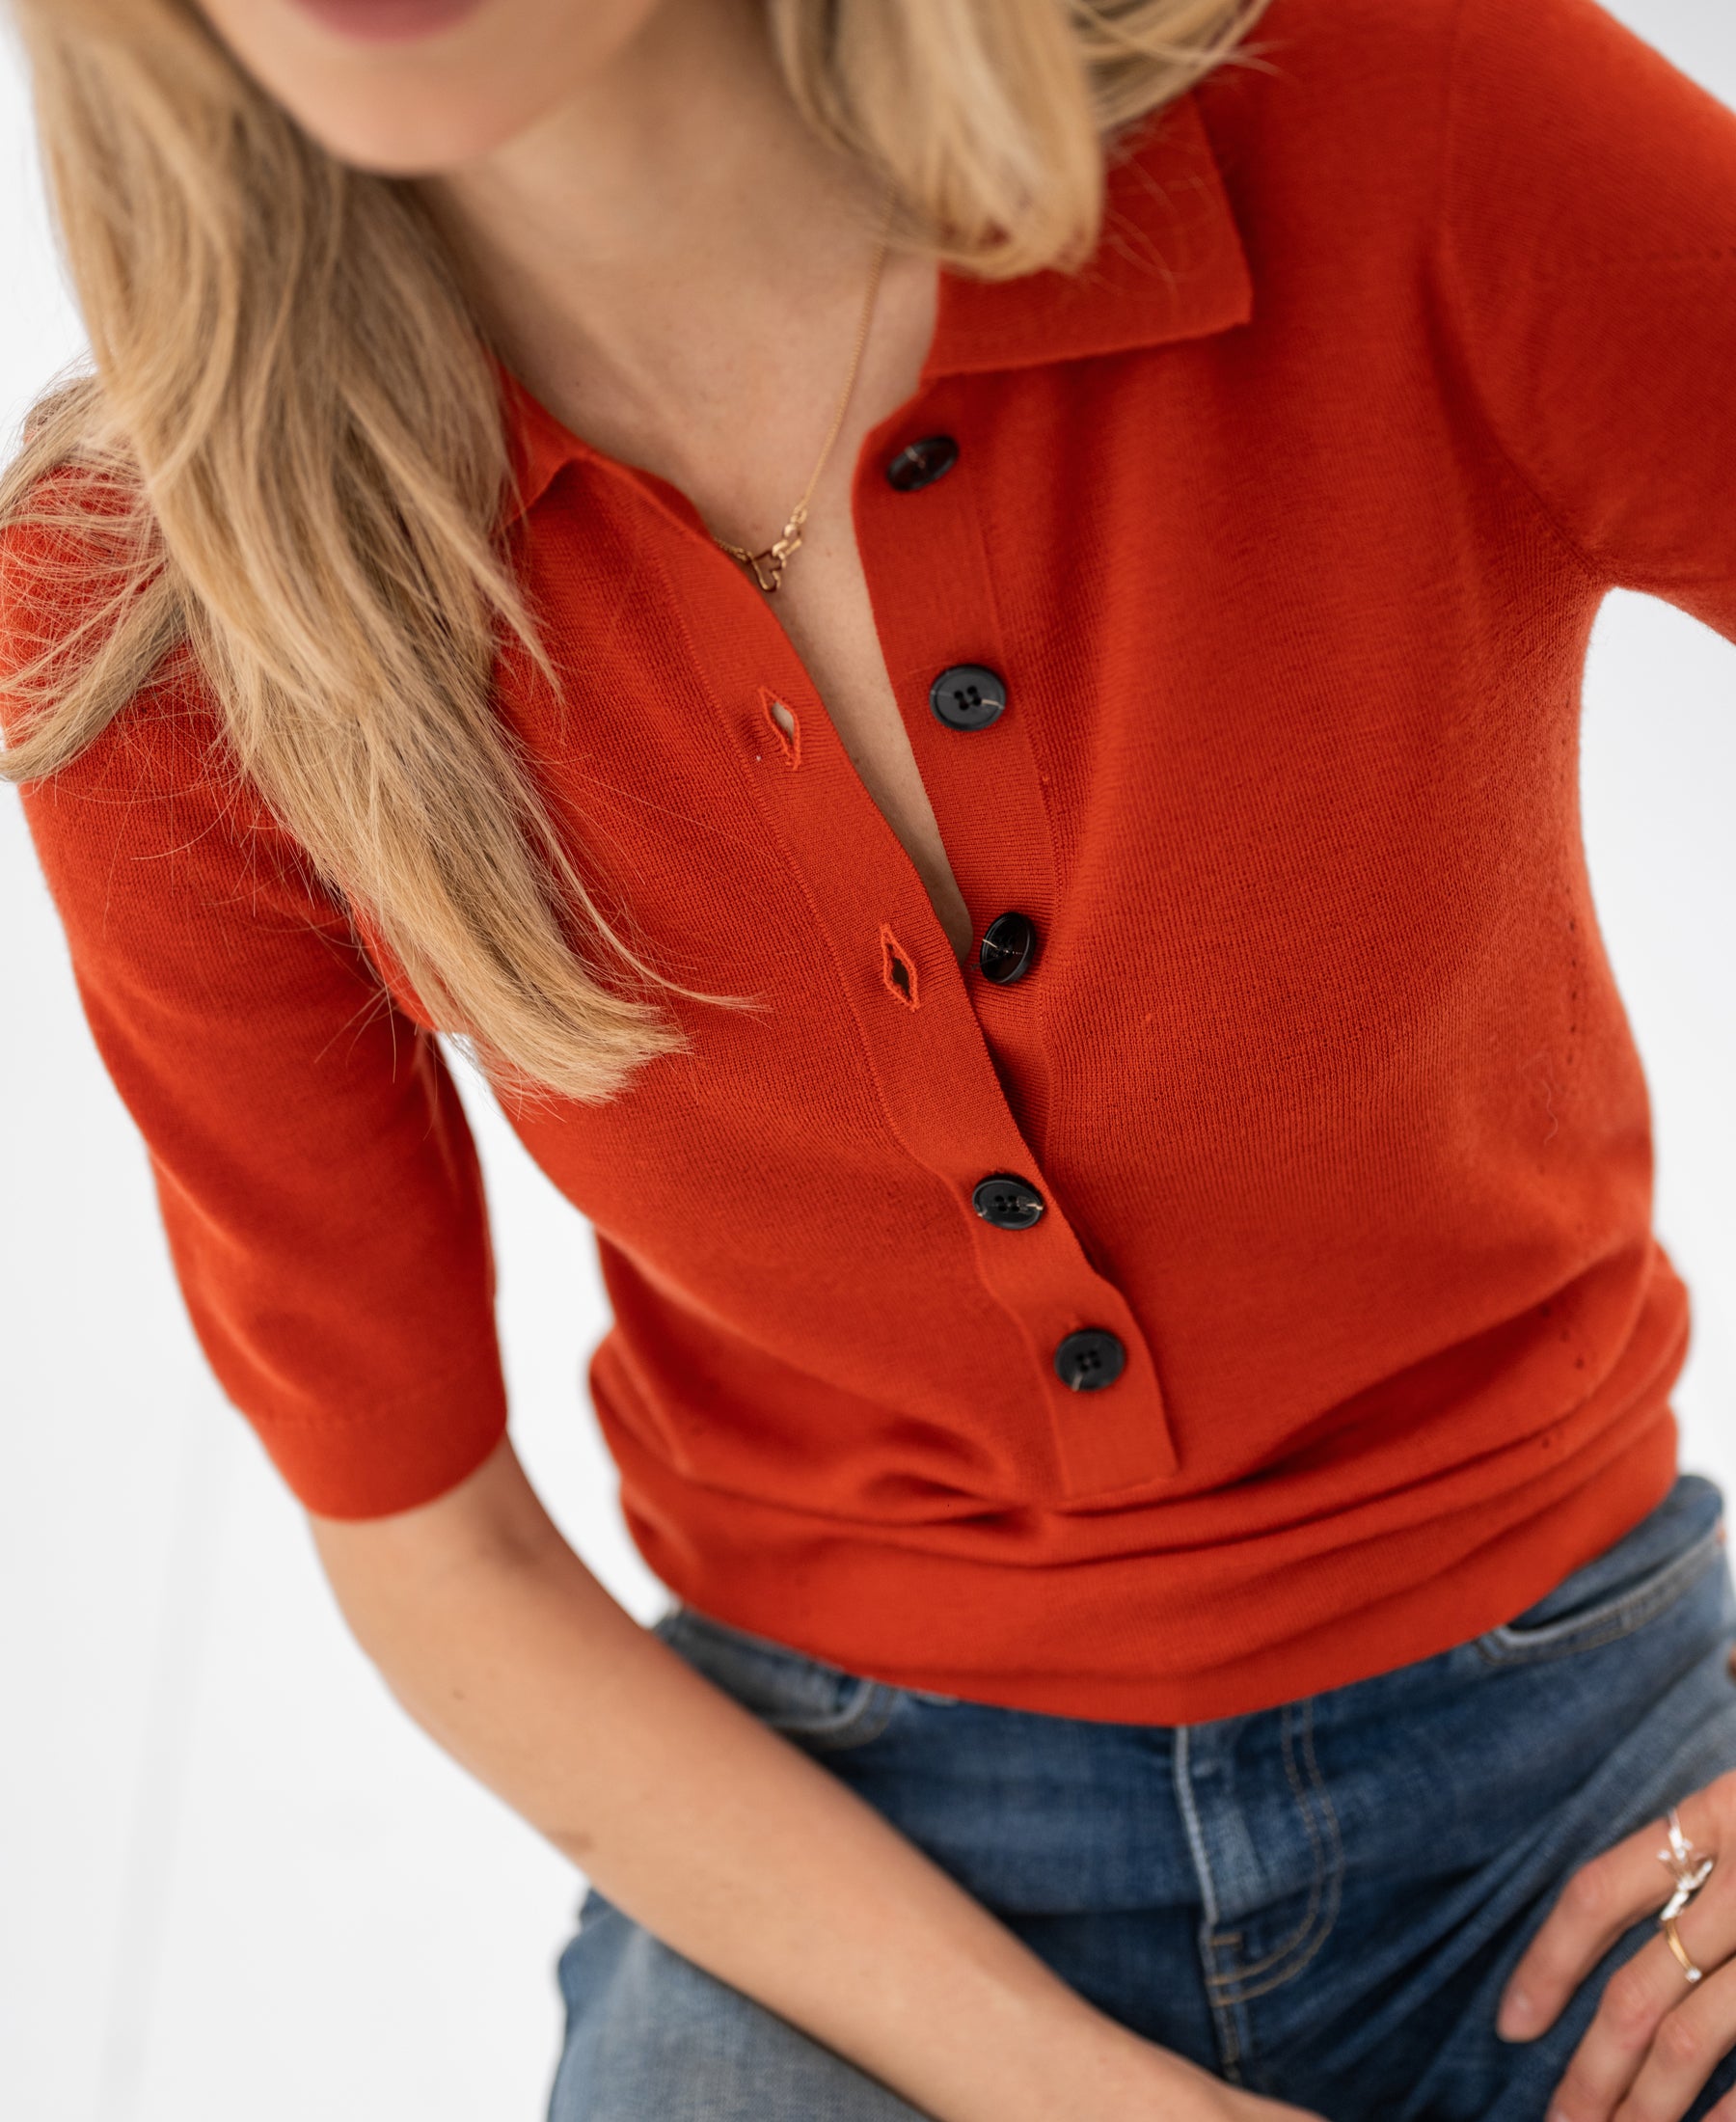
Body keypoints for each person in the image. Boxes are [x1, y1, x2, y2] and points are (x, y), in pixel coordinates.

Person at [4, 0, 1736, 2113]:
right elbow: (426, 1545)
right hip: (849, 1863)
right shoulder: (157, 611)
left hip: (1579, 1755)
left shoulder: (1390, 110)